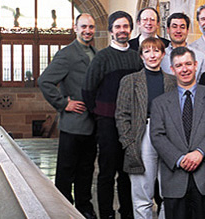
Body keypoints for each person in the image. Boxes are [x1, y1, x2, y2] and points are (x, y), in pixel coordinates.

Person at [150, 47, 205, 219]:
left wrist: (200, 153)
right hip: (175, 178)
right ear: (172, 69)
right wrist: (179, 158)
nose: (184, 69)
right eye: (179, 65)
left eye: (188, 64)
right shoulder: (159, 103)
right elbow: (157, 135)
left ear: (195, 65)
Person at [82, 11, 143, 219]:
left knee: (127, 173)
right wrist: (99, 114)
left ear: (131, 29)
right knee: (107, 173)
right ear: (110, 31)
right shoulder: (102, 57)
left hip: (131, 124)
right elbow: (88, 90)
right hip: (107, 123)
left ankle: (127, 213)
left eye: (125, 26)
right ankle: (106, 214)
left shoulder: (137, 58)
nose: (122, 30)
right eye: (117, 27)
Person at [38, 13, 97, 219]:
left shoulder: (94, 52)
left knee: (86, 170)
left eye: (90, 27)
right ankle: (61, 211)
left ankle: (84, 208)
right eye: (83, 27)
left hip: (91, 124)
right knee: (65, 172)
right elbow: (44, 81)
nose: (87, 30)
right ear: (75, 28)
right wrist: (64, 104)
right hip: (73, 124)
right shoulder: (67, 54)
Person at [115, 37, 176, 219]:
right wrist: (128, 143)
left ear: (163, 54)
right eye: (147, 51)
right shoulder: (130, 81)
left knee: (169, 190)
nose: (152, 55)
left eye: (156, 51)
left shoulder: (172, 82)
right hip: (142, 135)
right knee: (142, 193)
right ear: (141, 55)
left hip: (168, 136)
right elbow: (121, 114)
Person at [160, 12, 205, 81]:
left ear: (187, 31)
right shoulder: (160, 57)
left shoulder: (200, 57)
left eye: (182, 27)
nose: (178, 31)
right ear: (168, 30)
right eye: (174, 27)